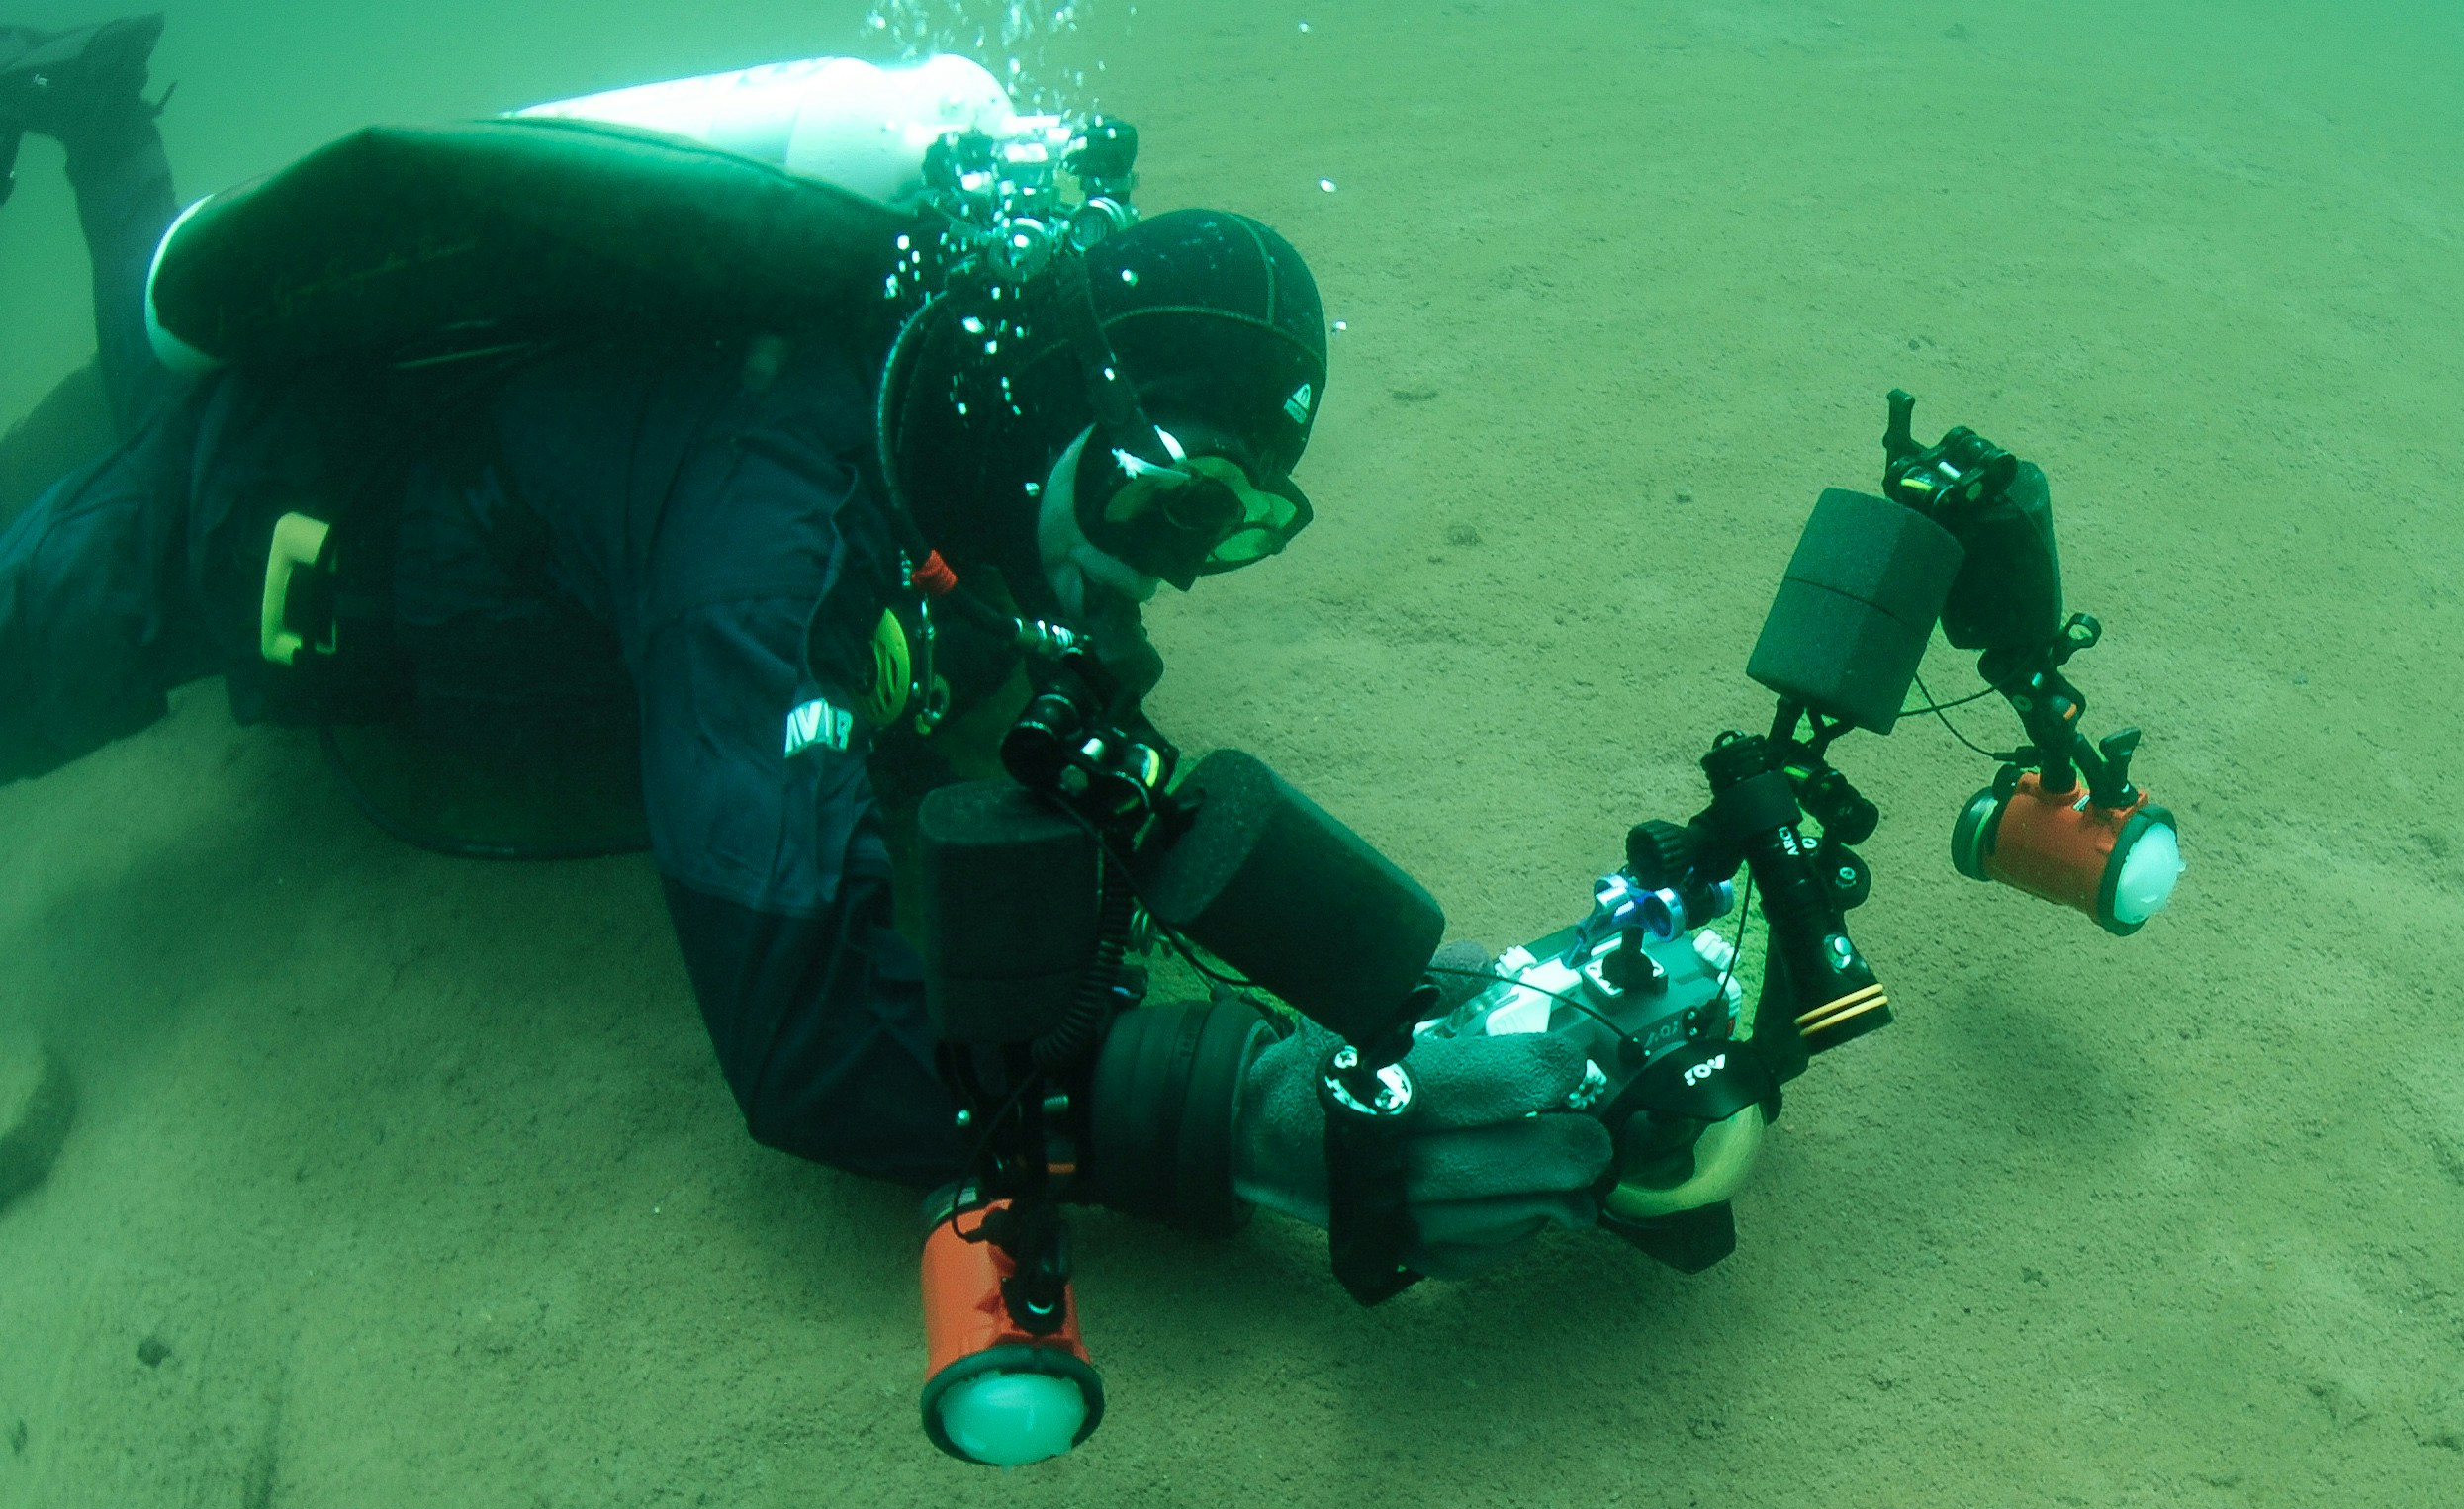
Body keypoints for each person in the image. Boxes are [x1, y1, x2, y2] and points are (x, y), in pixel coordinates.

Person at [0, 19, 1614, 1279]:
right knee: (103, 514)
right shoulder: (765, 524)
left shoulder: (980, 448)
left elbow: (1068, 702)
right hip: (235, 509)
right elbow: (806, 1036)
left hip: (538, 555)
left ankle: (92, 110)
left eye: (1231, 528)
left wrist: (1392, 996)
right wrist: (1252, 1117)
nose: (1163, 576)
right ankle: (101, 145)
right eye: (1165, 500)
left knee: (142, 371)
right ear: (1056, 383)